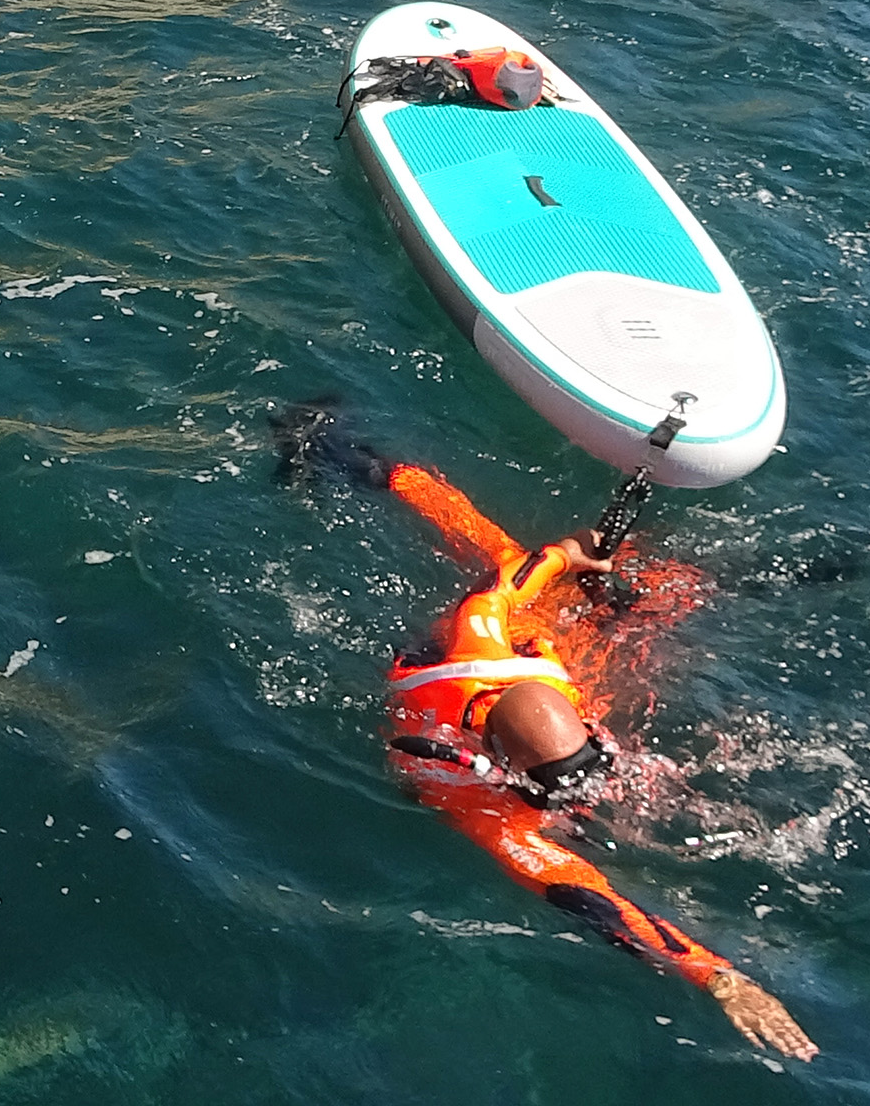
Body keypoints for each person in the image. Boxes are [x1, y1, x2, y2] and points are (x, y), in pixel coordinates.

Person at [281, 407, 820, 1062]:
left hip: (527, 657)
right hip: (455, 683)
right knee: (647, 611)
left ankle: (383, 470)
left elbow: (515, 580)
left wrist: (572, 553)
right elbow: (591, 901)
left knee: (519, 559)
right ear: (507, 769)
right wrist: (720, 978)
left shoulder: (490, 628)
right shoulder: (474, 802)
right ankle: (341, 456)